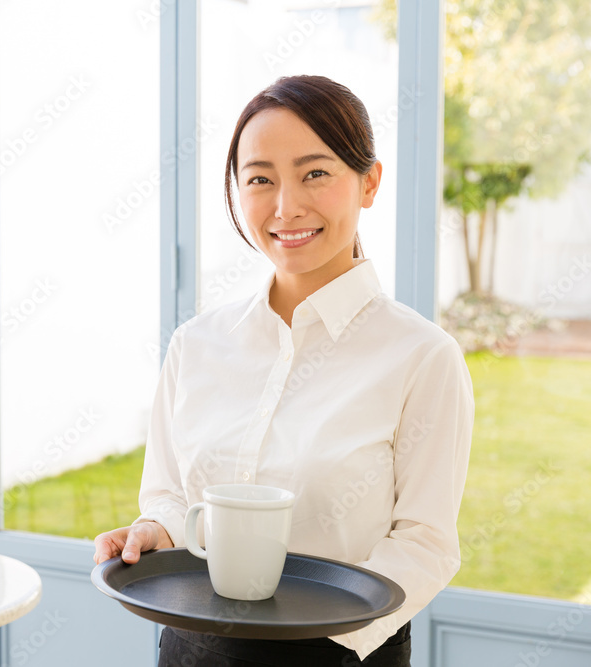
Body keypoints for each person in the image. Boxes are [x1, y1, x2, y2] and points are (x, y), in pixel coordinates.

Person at [92, 74, 474, 666]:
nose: (286, 206)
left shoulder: (422, 356)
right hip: (191, 650)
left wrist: (329, 640)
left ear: (369, 182)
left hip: (340, 654)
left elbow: (426, 542)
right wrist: (154, 532)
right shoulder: (196, 345)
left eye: (315, 173)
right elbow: (169, 493)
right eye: (260, 179)